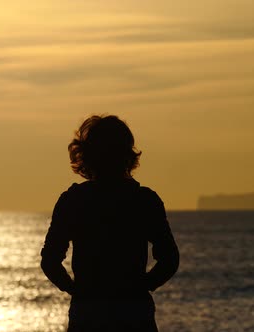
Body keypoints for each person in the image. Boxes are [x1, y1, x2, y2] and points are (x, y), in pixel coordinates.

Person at [40, 115, 179, 332]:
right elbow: (169, 259)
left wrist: (76, 290)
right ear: (127, 155)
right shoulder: (144, 200)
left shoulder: (73, 200)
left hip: (89, 313)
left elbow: (50, 260)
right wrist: (141, 287)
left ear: (87, 155)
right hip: (133, 312)